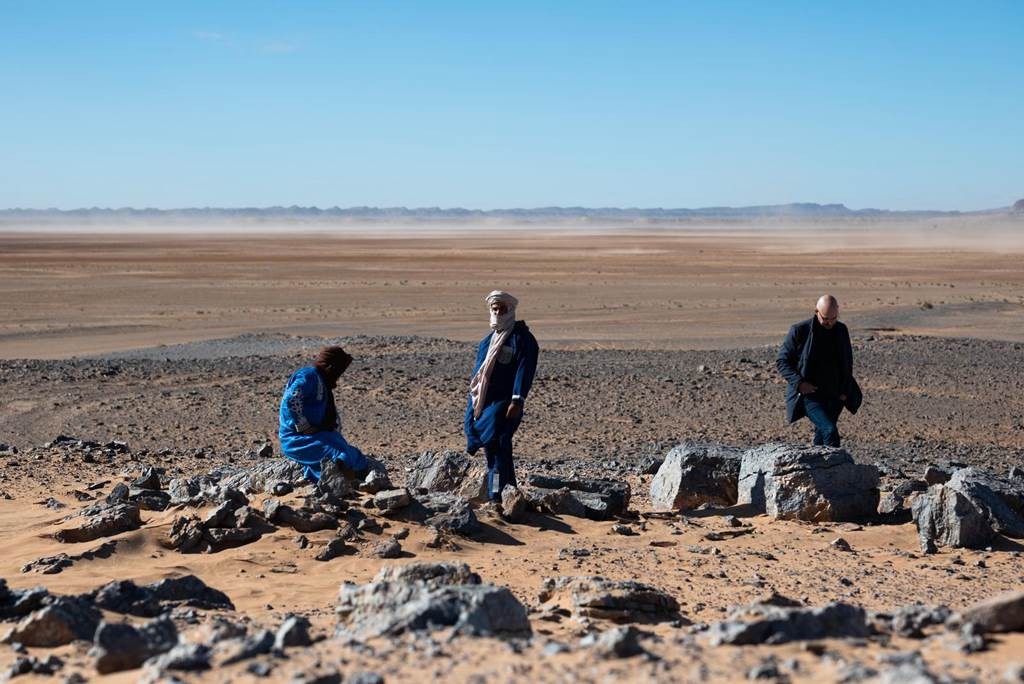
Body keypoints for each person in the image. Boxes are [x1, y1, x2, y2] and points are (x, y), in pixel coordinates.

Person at [465, 290, 539, 500]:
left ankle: (496, 496)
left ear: (511, 310)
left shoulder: (522, 339)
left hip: (505, 405)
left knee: (497, 449)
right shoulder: (487, 342)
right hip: (484, 404)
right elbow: (477, 378)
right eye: (494, 308)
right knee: (498, 451)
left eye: (501, 308)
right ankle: (510, 493)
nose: (497, 312)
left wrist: (517, 399)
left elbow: (524, 370)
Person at [776, 294, 862, 447]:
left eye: (833, 318)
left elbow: (847, 363)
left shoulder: (841, 330)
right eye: (826, 319)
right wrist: (800, 383)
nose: (830, 323)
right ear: (816, 312)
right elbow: (782, 361)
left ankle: (817, 468)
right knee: (829, 431)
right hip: (810, 396)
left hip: (835, 395)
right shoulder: (800, 331)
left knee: (821, 436)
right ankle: (834, 468)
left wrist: (844, 392)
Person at [278, 345, 369, 482]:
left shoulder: (322, 381)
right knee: (339, 456)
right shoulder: (309, 376)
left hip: (318, 435)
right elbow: (292, 399)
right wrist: (304, 427)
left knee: (355, 456)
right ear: (331, 367)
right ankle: (343, 488)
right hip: (297, 439)